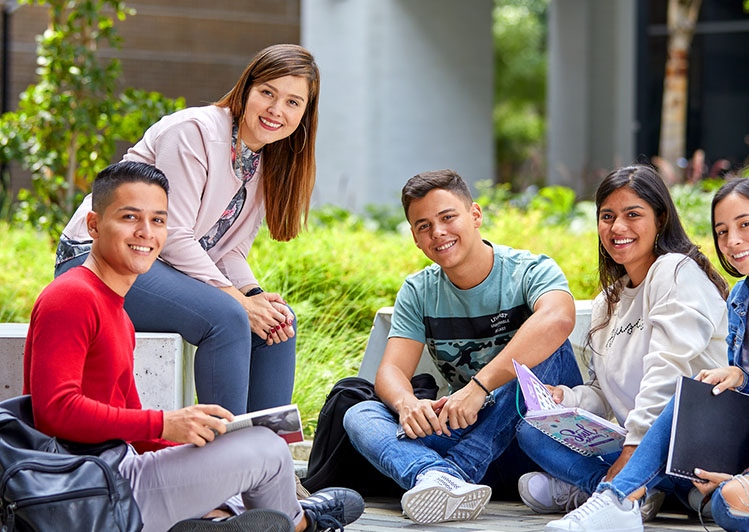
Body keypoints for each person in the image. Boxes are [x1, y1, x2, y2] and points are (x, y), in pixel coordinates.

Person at [24, 162, 363, 532]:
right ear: (93, 225)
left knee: (242, 471)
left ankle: (218, 517)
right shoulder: (71, 296)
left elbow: (134, 427)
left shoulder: (117, 312)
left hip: (118, 471)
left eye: (158, 220)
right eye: (129, 217)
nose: (146, 232)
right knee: (267, 450)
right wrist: (167, 423)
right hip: (92, 488)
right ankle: (302, 523)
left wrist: (196, 445)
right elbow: (54, 412)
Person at [546, 175, 749, 532]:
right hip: (744, 451)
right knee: (692, 394)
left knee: (731, 504)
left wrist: (745, 473)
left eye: (745, 225)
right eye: (722, 231)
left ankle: (625, 495)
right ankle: (621, 499)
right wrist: (741, 378)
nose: (732, 240)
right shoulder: (740, 299)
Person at [55, 44, 320, 415]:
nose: (277, 110)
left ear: (305, 114)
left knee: (278, 324)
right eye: (267, 93)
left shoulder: (266, 160)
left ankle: (265, 445)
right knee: (227, 316)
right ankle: (221, 446)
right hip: (99, 261)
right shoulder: (195, 132)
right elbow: (173, 234)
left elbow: (229, 250)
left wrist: (255, 295)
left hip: (161, 269)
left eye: (293, 102)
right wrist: (238, 301)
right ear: (246, 90)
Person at [342, 170, 584, 525]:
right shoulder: (419, 290)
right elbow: (391, 370)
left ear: (475, 215)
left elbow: (559, 320)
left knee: (549, 347)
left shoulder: (529, 269)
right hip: (468, 432)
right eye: (423, 226)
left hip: (537, 442)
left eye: (447, 217)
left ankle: (454, 473)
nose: (437, 232)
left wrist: (478, 387)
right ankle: (432, 475)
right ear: (415, 238)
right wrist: (408, 404)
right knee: (359, 414)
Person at [515, 165, 729, 518]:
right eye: (607, 216)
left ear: (660, 219)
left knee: (708, 496)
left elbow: (668, 371)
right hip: (634, 442)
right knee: (530, 431)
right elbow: (603, 392)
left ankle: (611, 490)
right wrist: (565, 399)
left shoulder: (676, 270)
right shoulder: (607, 302)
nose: (617, 227)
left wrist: (633, 451)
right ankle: (624, 492)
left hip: (689, 446)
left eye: (633, 215)